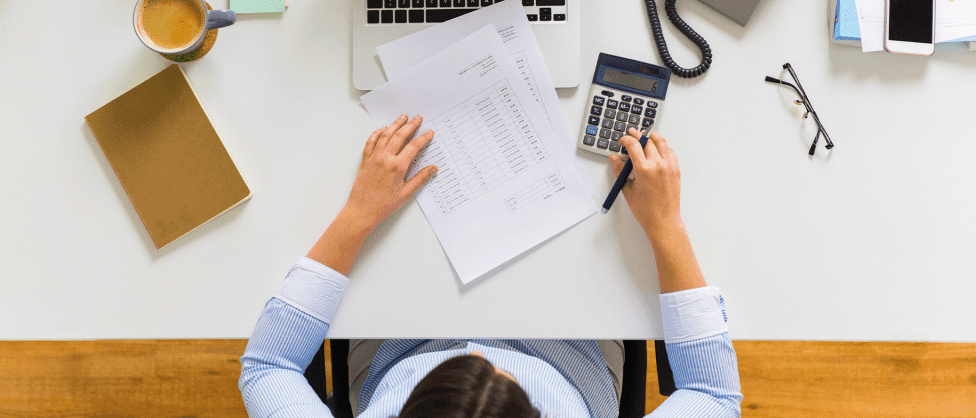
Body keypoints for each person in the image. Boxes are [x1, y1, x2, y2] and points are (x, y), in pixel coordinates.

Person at [239, 114, 743, 417]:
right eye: (504, 374)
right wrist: (665, 225)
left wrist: (358, 213)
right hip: (571, 347)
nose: (479, 344)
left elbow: (268, 367)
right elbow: (713, 394)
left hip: (400, 343)